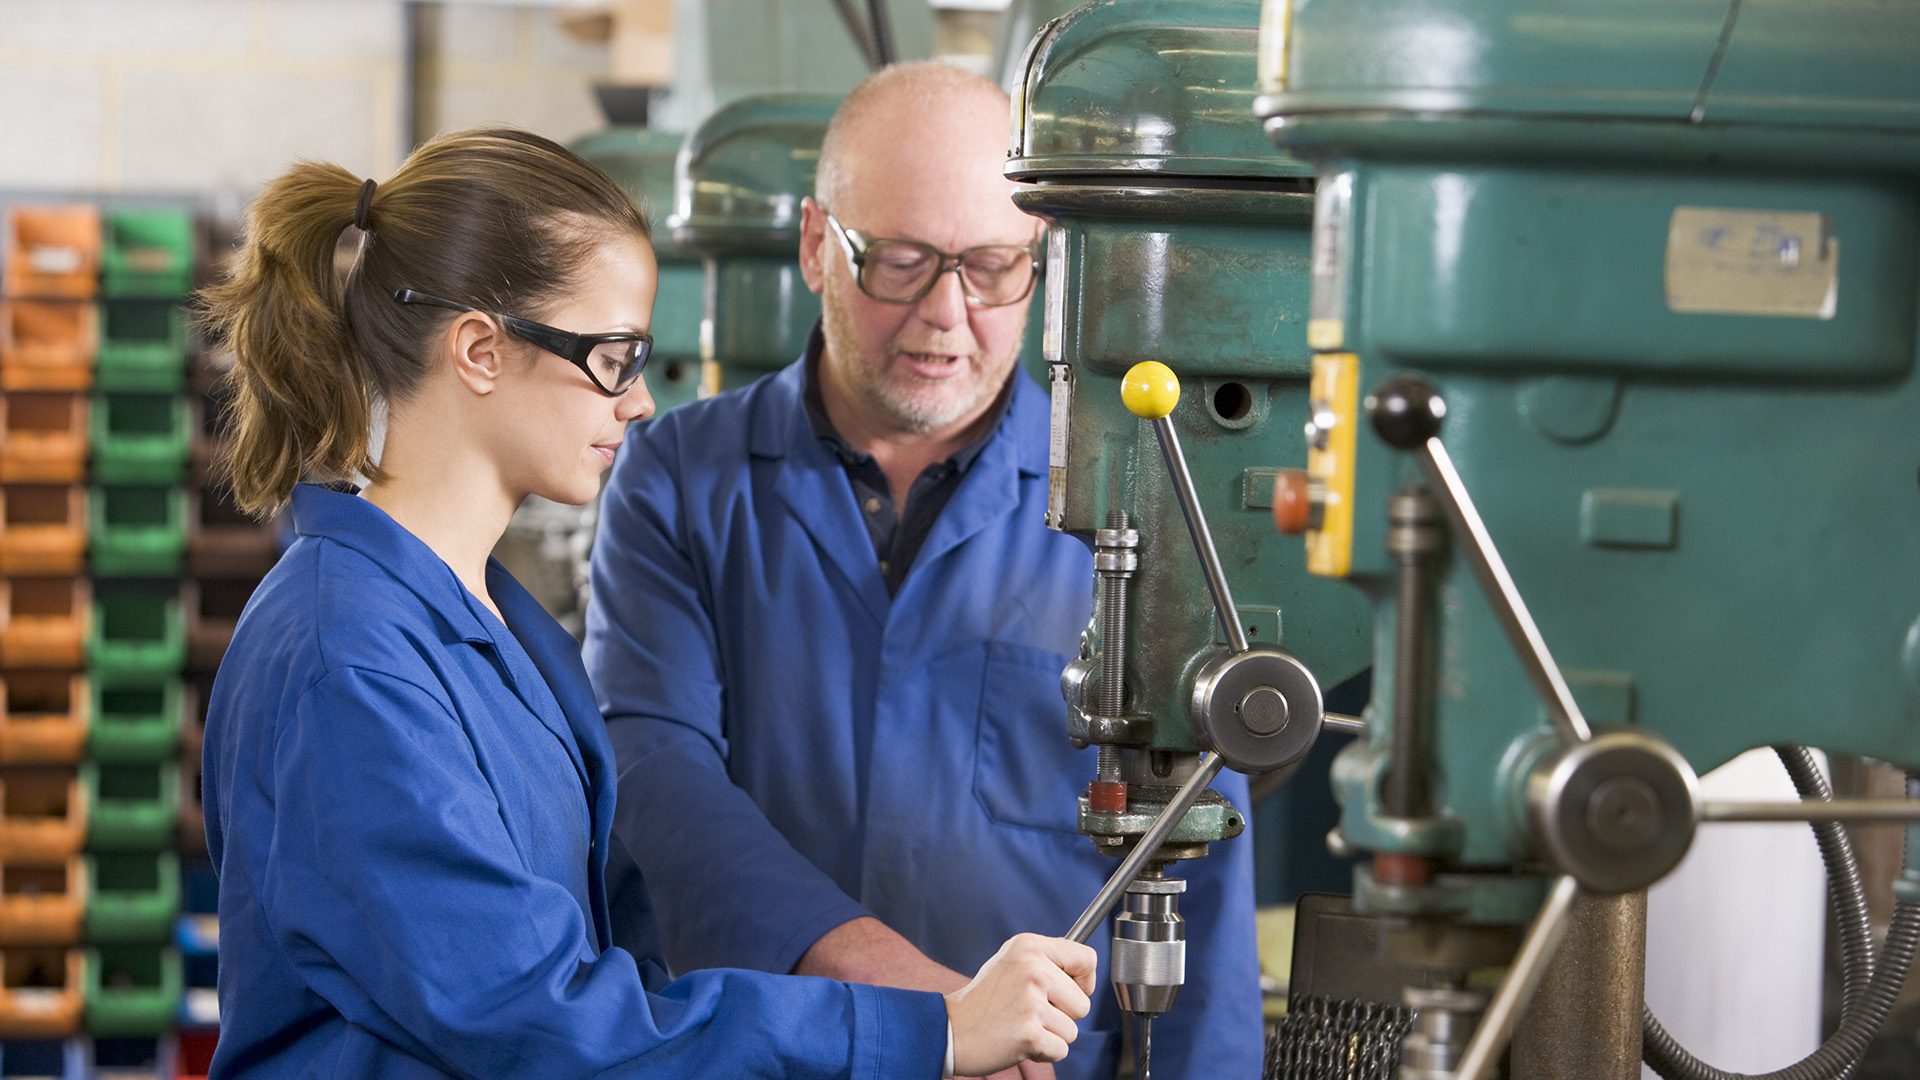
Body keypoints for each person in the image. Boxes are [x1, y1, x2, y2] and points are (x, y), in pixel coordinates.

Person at [196, 127, 1098, 1079]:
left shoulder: (497, 627)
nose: (635, 402)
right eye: (613, 357)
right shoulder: (349, 658)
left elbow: (612, 975)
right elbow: (537, 1020)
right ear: (479, 351)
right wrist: (933, 1033)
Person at [585, 63, 1263, 1080]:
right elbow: (657, 776)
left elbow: (1200, 847)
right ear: (817, 245)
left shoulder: (1144, 500)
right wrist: (930, 1006)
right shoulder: (678, 480)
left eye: (992, 267)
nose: (947, 314)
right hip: (767, 1055)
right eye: (899, 261)